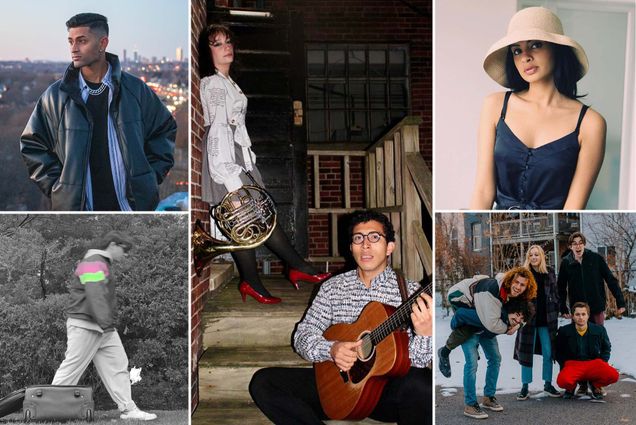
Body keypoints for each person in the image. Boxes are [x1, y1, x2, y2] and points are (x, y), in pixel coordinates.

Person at [248, 210, 433, 424]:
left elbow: (418, 362)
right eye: (358, 238)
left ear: (389, 246)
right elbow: (302, 336)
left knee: (421, 384)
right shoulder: (333, 288)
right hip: (338, 387)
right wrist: (332, 349)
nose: (365, 245)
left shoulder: (411, 293)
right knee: (264, 382)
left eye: (374, 237)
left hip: (381, 392)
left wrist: (424, 335)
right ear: (351, 247)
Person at [197, 24, 329, 304]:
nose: (226, 47)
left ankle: (252, 281)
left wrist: (247, 162)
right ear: (207, 51)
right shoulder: (213, 84)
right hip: (224, 158)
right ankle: (296, 266)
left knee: (245, 222)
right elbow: (219, 130)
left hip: (238, 155)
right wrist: (231, 176)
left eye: (228, 42)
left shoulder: (229, 81)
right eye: (218, 44)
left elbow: (235, 129)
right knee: (253, 218)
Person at [20, 13, 176, 211]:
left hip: (132, 211)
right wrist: (58, 188)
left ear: (103, 43)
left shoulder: (135, 90)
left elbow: (165, 129)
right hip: (80, 216)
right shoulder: (55, 97)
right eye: (71, 42)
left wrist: (148, 177)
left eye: (82, 41)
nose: (74, 49)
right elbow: (32, 144)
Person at [470, 7, 605, 210]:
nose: (525, 57)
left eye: (535, 45)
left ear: (557, 49)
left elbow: (574, 208)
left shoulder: (590, 123)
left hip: (547, 229)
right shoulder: (495, 106)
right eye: (517, 50)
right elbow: (483, 191)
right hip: (499, 228)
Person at [51, 231, 156, 421]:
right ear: (113, 245)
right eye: (124, 250)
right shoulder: (93, 261)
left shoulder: (99, 261)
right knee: (72, 368)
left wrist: (108, 325)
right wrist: (107, 324)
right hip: (86, 325)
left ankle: (128, 409)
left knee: (118, 366)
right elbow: (95, 295)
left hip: (100, 327)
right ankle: (49, 409)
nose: (125, 255)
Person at [437, 267, 537, 378]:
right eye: (516, 282)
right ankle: (444, 351)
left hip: (477, 299)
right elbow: (492, 324)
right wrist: (507, 329)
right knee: (473, 325)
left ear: (527, 287)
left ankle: (450, 348)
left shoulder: (519, 295)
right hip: (460, 296)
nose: (518, 287)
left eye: (522, 285)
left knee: (483, 325)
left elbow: (527, 314)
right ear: (511, 280)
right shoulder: (494, 290)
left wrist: (517, 325)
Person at [514, 245, 561, 400]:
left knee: (549, 353)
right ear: (528, 257)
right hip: (529, 320)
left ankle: (548, 384)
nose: (534, 257)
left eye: (536, 255)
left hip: (547, 319)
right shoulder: (523, 274)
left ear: (541, 256)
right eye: (531, 255)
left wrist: (557, 306)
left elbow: (556, 294)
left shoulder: (550, 272)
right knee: (526, 354)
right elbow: (517, 295)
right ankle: (525, 387)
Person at [557, 232, 626, 325]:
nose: (578, 246)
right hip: (578, 310)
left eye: (580, 243)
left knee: (598, 336)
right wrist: (563, 307)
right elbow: (561, 287)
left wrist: (620, 300)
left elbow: (611, 280)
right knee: (579, 338)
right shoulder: (566, 263)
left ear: (584, 244)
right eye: (575, 243)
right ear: (570, 246)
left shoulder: (596, 259)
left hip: (596, 307)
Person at [555, 302, 619, 400]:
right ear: (572, 316)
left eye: (583, 314)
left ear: (588, 316)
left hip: (593, 363)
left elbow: (606, 348)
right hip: (574, 364)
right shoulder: (564, 331)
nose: (581, 317)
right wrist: (564, 365)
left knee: (613, 375)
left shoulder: (599, 330)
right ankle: (571, 387)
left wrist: (602, 362)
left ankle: (595, 385)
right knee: (562, 381)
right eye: (577, 314)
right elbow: (558, 350)